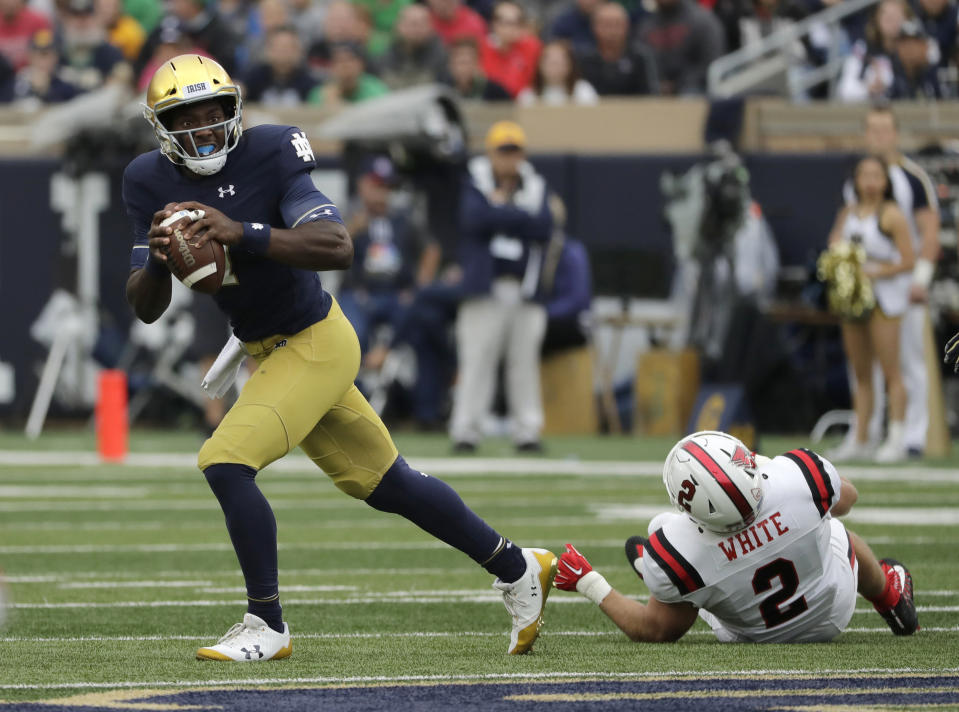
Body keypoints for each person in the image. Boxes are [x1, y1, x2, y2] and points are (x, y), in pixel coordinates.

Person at [123, 53, 557, 661]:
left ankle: (266, 624)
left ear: (235, 110)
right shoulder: (147, 179)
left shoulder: (272, 151)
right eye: (186, 117)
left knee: (225, 460)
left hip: (315, 338)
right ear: (162, 127)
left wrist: (239, 230)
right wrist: (164, 260)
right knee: (387, 483)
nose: (203, 127)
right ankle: (517, 566)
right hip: (262, 346)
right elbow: (143, 303)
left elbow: (337, 244)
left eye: (214, 112)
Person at [553, 430, 919, 642]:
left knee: (684, 572)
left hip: (753, 633)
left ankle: (661, 579)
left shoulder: (680, 546)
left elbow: (659, 629)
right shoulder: (797, 477)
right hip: (833, 609)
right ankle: (890, 598)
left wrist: (590, 582)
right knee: (839, 533)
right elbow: (847, 501)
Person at [837, 105, 940, 459]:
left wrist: (921, 277)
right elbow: (843, 238)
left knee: (907, 361)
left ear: (895, 133)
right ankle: (865, 431)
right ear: (866, 135)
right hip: (861, 289)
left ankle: (912, 435)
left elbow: (928, 233)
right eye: (873, 130)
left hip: (901, 283)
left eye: (885, 130)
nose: (879, 137)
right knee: (863, 367)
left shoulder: (912, 178)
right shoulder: (853, 186)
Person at [449, 120, 552, 453]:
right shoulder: (474, 181)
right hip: (486, 287)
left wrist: (500, 211)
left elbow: (545, 227)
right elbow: (474, 219)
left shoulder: (535, 184)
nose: (510, 159)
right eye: (503, 151)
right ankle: (466, 430)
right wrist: (516, 215)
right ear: (491, 153)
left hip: (523, 287)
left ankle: (527, 431)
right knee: (477, 359)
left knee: (524, 362)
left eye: (515, 151)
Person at [828, 155, 915, 463]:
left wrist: (874, 271)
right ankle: (860, 437)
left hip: (884, 300)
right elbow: (834, 247)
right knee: (861, 373)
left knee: (892, 371)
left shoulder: (891, 214)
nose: (870, 181)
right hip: (853, 300)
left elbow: (909, 260)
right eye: (864, 174)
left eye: (876, 175)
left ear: (885, 181)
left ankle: (897, 437)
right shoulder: (848, 213)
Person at [338, 155, 439, 371]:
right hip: (358, 293)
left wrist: (419, 287)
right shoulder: (347, 212)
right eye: (376, 185)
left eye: (386, 186)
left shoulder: (403, 216)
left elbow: (431, 249)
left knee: (425, 321)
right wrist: (353, 230)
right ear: (362, 184)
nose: (381, 191)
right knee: (352, 332)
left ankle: (416, 395)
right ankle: (356, 387)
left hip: (396, 293)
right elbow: (328, 249)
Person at [636, 0, 725, 95]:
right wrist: (657, 84)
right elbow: (640, 65)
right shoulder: (646, 27)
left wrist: (677, 85)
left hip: (695, 90)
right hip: (656, 91)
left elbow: (712, 64)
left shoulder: (702, 20)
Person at [578, 2, 657, 96]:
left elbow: (651, 95)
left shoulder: (640, 57)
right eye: (607, 25)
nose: (612, 31)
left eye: (617, 24)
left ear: (627, 26)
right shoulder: (584, 60)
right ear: (594, 27)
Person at [377, 3, 448, 90]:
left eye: (421, 24)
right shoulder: (384, 57)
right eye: (411, 24)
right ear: (398, 26)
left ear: (430, 27)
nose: (416, 29)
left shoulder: (443, 59)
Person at [241, 25, 316, 106]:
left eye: (287, 47)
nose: (283, 52)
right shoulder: (255, 76)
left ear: (298, 51)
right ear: (268, 50)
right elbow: (238, 88)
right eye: (278, 47)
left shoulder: (308, 82)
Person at [478, 0, 541, 97]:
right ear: (494, 24)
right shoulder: (481, 49)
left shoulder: (532, 46)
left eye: (517, 22)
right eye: (507, 23)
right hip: (492, 105)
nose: (511, 28)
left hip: (524, 105)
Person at [307, 40, 389, 107]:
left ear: (362, 64)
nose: (345, 65)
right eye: (339, 61)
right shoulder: (319, 94)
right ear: (331, 67)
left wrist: (337, 102)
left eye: (350, 60)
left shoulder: (376, 91)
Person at [517, 39, 598, 106]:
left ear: (570, 65)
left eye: (560, 62)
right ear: (539, 65)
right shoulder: (528, 95)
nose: (555, 66)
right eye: (550, 62)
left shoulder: (583, 90)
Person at [441, 34, 511, 101]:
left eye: (469, 63)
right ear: (450, 64)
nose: (464, 69)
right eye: (460, 62)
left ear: (477, 64)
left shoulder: (494, 91)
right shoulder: (442, 91)